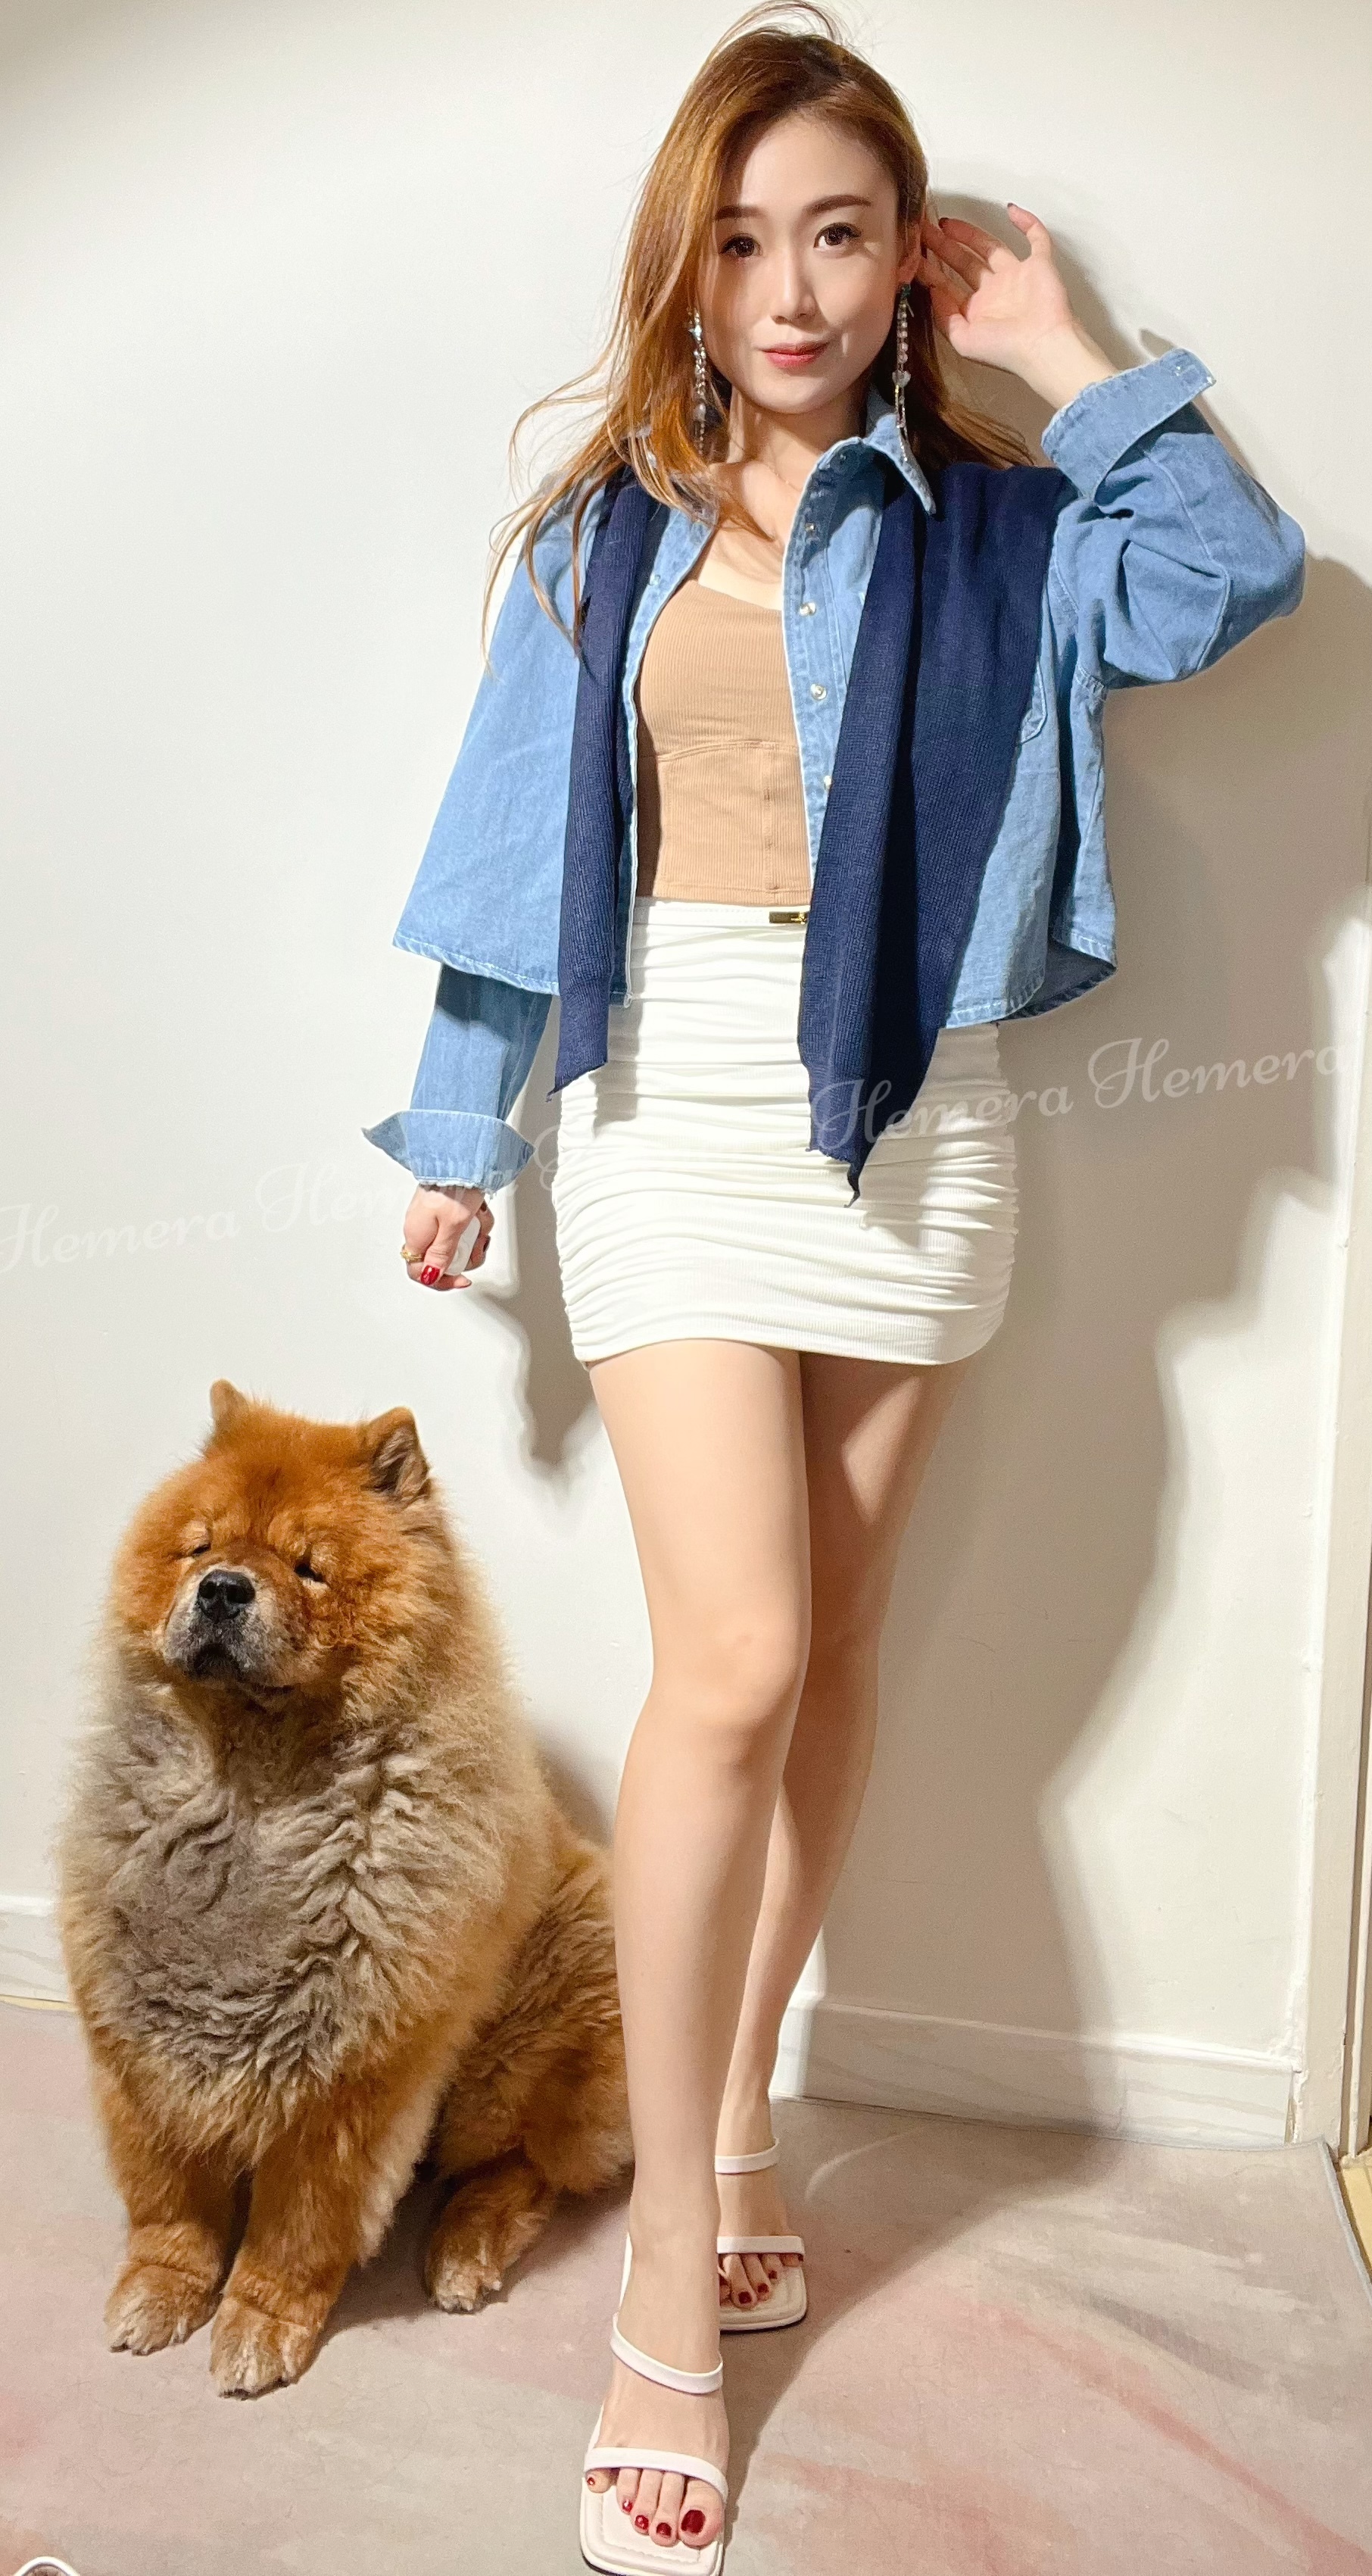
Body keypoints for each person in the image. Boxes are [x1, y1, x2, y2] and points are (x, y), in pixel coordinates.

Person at [363, 10, 1305, 2562]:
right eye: (745, 239)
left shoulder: (1012, 524)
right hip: (668, 1097)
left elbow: (1229, 584)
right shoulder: (601, 543)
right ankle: (669, 2291)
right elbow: (506, 859)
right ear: (684, 272)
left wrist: (1077, 354)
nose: (788, 289)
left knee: (837, 1654)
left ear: (905, 266)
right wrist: (459, 1135)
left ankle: (735, 2120)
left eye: (841, 234)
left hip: (916, 1107)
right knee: (742, 1655)